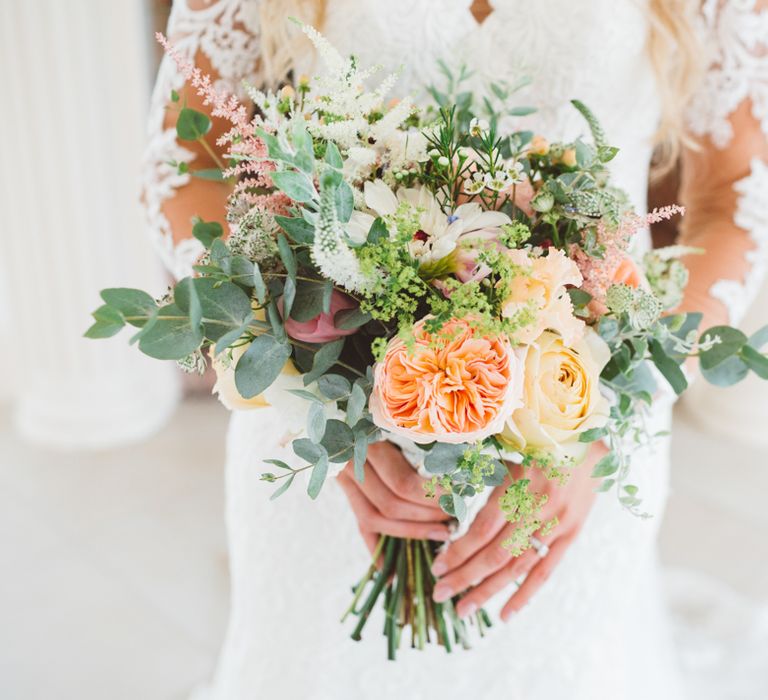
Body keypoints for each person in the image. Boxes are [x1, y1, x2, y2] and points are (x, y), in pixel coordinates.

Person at [143, 1, 768, 697]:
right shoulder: (315, 412)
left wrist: (606, 418)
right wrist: (311, 398)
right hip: (325, 427)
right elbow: (186, 160)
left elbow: (733, 197)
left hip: (587, 422)